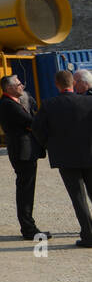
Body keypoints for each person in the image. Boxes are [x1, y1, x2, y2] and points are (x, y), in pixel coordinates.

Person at [33, 70, 92, 247]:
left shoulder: (49, 105)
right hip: (90, 153)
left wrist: (49, 144)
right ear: (74, 83)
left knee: (78, 197)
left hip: (65, 157)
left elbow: (37, 128)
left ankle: (88, 236)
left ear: (56, 84)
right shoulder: (89, 101)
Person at [0, 75, 50, 240]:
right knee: (25, 190)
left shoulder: (16, 102)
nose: (22, 87)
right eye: (19, 84)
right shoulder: (8, 105)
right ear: (9, 88)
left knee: (27, 189)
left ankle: (29, 226)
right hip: (22, 153)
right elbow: (31, 121)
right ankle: (29, 229)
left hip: (26, 151)